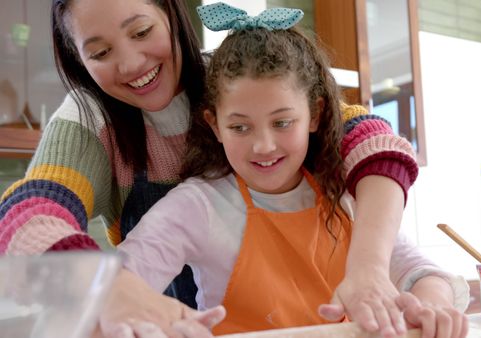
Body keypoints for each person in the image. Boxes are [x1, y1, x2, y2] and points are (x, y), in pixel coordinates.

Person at [0, 0, 425, 336]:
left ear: (170, 14)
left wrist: (368, 270)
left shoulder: (233, 75)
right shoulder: (88, 118)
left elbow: (373, 144)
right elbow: (27, 215)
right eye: (101, 51)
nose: (131, 64)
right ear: (78, 60)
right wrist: (106, 288)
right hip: (149, 318)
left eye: (142, 32)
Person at [117, 3, 469, 338]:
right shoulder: (197, 206)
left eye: (282, 122)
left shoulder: (345, 194)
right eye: (240, 127)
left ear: (314, 115)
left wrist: (430, 306)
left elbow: (420, 273)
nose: (264, 146)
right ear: (215, 126)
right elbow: (117, 281)